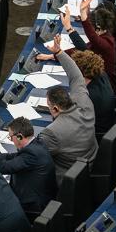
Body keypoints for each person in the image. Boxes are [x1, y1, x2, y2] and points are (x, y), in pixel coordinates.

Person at [36, 47, 98, 177]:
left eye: (49, 106)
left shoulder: (52, 132)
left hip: (66, 178)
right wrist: (59, 52)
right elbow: (76, 76)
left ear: (56, 108)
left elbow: (33, 156)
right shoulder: (85, 103)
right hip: (90, 163)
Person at [0, 116, 55, 213]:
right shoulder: (36, 144)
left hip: (31, 206)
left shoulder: (31, 154)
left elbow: (3, 167)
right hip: (39, 195)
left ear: (19, 136)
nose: (10, 140)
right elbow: (11, 157)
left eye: (11, 137)